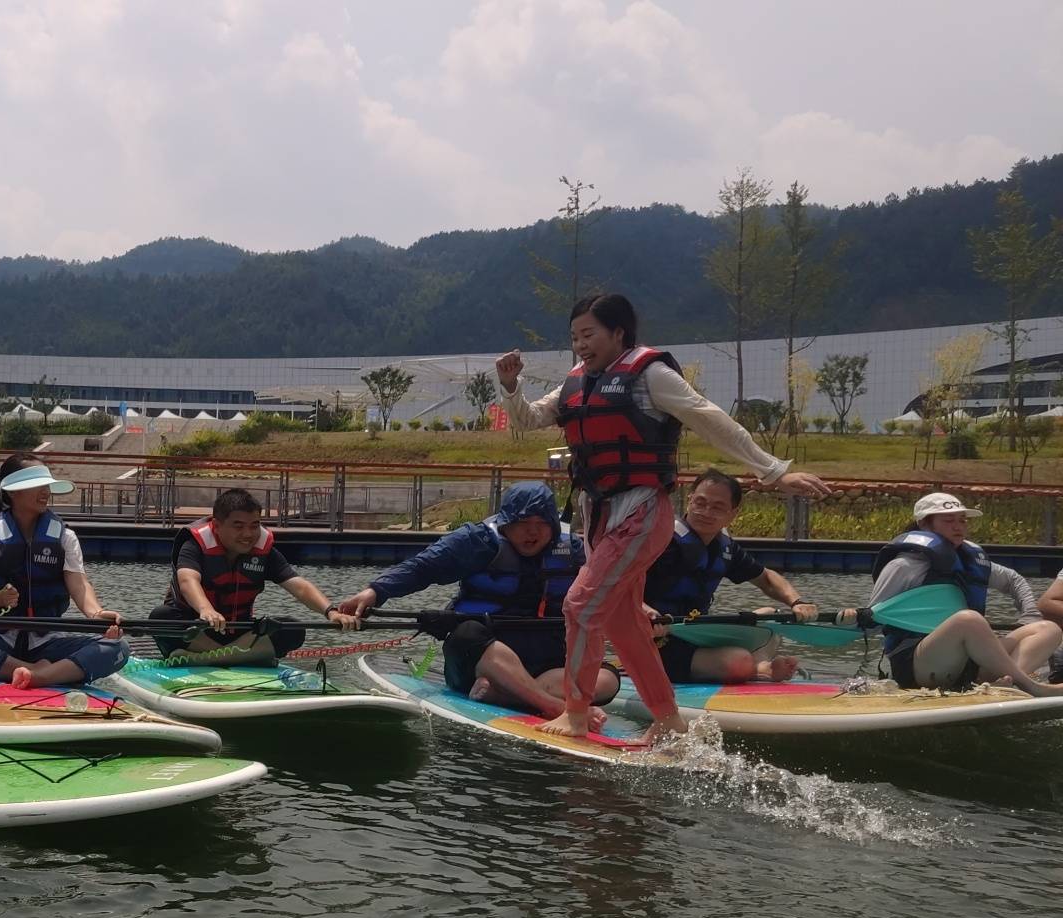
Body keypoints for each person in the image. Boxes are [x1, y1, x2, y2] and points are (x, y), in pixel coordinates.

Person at [499, 293, 833, 739]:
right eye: (575, 336)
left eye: (589, 334)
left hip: (640, 512)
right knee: (624, 622)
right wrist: (510, 386)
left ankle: (575, 714)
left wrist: (773, 471)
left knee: (580, 605)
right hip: (598, 516)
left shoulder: (650, 375)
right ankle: (670, 721)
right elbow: (528, 419)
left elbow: (710, 419)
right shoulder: (578, 382)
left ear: (619, 333)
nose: (580, 344)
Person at [336, 481, 621, 722]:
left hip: (548, 662)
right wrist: (374, 591)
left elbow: (609, 586)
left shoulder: (572, 549)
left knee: (608, 679)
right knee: (468, 633)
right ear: (506, 521)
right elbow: (422, 567)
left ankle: (512, 695)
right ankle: (553, 706)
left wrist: (638, 609)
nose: (532, 532)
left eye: (541, 524)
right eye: (523, 523)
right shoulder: (478, 541)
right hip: (482, 658)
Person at [0, 453, 130, 689]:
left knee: (117, 648)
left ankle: (40, 676)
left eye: (47, 486)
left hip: (48, 641)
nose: (45, 492)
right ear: (13, 492)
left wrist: (96, 613)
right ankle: (37, 671)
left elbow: (79, 583)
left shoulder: (65, 537)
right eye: (36, 486)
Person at [644, 468, 850, 684]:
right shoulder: (660, 542)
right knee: (738, 661)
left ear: (732, 514)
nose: (705, 512)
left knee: (771, 616)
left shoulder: (725, 548)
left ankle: (759, 666)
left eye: (717, 507)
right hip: (658, 638)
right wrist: (645, 613)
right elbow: (618, 588)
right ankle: (754, 669)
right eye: (700, 503)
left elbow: (767, 579)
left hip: (697, 634)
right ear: (689, 501)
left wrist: (797, 601)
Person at [869, 492, 1063, 694]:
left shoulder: (971, 561)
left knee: (1048, 629)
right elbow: (873, 617)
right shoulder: (903, 566)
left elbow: (1014, 580)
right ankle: (1032, 686)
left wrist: (1029, 614)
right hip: (919, 664)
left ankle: (1007, 684)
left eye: (962, 520)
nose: (958, 526)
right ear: (924, 524)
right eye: (948, 520)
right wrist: (854, 618)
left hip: (966, 662)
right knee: (968, 620)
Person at [148, 488, 360, 666]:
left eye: (254, 525)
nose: (248, 534)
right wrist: (206, 610)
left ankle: (213, 660)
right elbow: (187, 580)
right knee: (161, 617)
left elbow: (299, 586)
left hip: (238, 632)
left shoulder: (264, 551)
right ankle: (243, 657)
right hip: (198, 631)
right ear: (217, 525)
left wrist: (331, 612)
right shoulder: (194, 546)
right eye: (238, 526)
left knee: (292, 628)